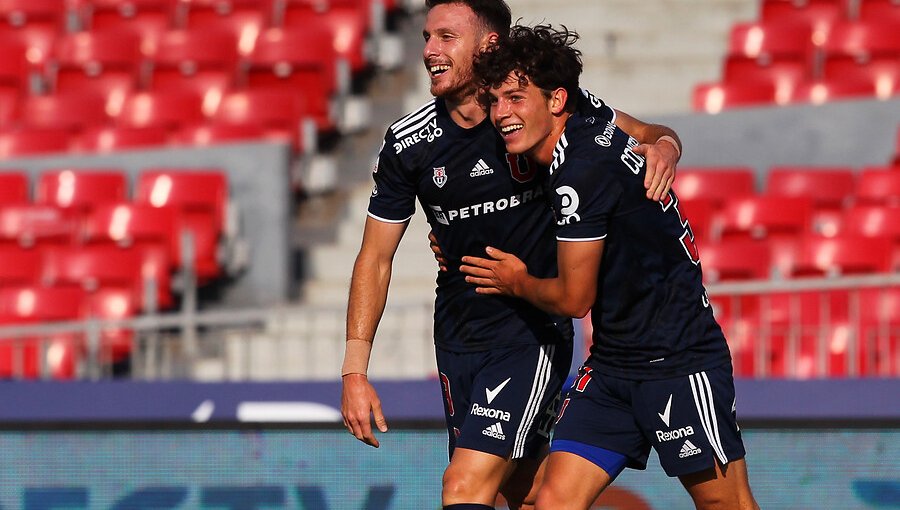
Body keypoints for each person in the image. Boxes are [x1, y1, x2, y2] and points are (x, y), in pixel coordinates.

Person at [340, 2, 683, 508]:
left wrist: (666, 148)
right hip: (459, 335)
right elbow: (375, 257)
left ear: (489, 45)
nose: (430, 51)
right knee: (523, 492)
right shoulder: (407, 144)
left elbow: (647, 134)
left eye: (447, 37)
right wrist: (354, 370)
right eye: (428, 37)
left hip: (530, 334)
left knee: (462, 484)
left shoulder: (532, 110)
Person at [460, 24, 760, 510]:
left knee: (726, 504)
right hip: (612, 366)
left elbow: (574, 301)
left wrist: (515, 281)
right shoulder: (589, 116)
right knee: (553, 501)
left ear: (556, 100)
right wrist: (667, 145)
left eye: (515, 98)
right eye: (494, 101)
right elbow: (654, 133)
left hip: (677, 361)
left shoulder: (580, 172)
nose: (501, 114)